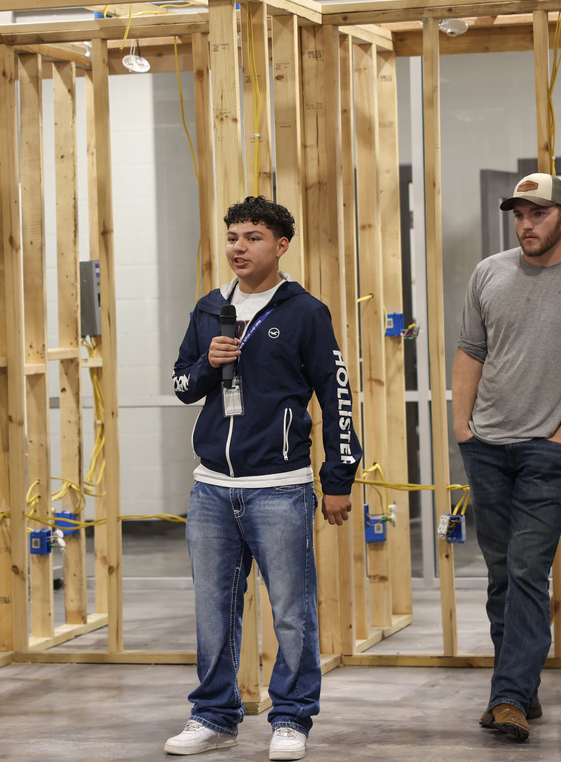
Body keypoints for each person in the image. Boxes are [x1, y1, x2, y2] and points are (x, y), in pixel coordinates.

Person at [165, 196, 361, 761]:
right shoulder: (209, 308)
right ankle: (214, 716)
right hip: (211, 490)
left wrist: (338, 476)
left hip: (281, 487)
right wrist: (209, 364)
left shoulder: (305, 313)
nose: (238, 248)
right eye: (232, 237)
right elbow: (182, 385)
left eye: (252, 237)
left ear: (280, 245)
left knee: (293, 611)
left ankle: (292, 719)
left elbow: (338, 397)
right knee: (213, 610)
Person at [452, 173, 561, 743]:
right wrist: (462, 427)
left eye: (539, 213)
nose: (527, 223)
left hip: (548, 453)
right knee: (502, 574)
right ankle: (519, 688)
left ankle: (506, 697)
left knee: (527, 569)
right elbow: (471, 351)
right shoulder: (488, 274)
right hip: (487, 449)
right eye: (520, 213)